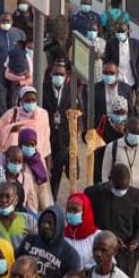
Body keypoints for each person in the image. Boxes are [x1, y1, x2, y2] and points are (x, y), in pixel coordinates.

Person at [84, 165, 139, 278]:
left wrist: (136, 240)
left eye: (124, 189)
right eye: (117, 188)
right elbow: (89, 220)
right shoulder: (96, 194)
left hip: (125, 251)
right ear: (110, 180)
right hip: (103, 249)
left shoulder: (134, 194)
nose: (120, 192)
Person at [15, 206, 81, 278]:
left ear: (59, 225)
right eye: (43, 222)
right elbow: (15, 262)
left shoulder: (70, 254)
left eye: (50, 223)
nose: (45, 226)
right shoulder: (30, 240)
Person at [43, 62, 75, 199]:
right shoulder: (44, 89)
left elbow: (78, 111)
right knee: (49, 171)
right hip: (48, 136)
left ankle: (53, 197)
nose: (58, 77)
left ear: (66, 76)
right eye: (56, 74)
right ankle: (50, 198)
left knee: (58, 171)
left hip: (64, 137)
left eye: (61, 74)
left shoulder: (70, 91)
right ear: (51, 75)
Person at [0, 86, 51, 160]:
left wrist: (48, 166)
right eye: (27, 101)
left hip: (37, 157)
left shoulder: (42, 114)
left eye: (33, 100)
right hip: (15, 158)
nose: (31, 103)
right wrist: (10, 129)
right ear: (21, 101)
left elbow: (46, 141)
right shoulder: (12, 114)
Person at [0, 14, 26, 113]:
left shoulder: (20, 34)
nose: (5, 23)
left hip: (15, 71)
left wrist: (26, 70)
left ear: (12, 21)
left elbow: (25, 54)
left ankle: (12, 120)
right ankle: (3, 119)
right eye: (3, 21)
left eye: (8, 21)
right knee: (0, 98)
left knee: (13, 98)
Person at [98, 116, 139, 192]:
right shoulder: (112, 147)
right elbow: (105, 172)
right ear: (126, 130)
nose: (135, 136)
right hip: (118, 192)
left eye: (138, 133)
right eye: (133, 132)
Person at [3, 139, 53, 214]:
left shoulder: (26, 178)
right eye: (13, 161)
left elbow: (31, 202)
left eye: (19, 161)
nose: (16, 164)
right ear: (6, 161)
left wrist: (33, 219)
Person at [61, 193, 100, 270]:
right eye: (69, 210)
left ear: (85, 211)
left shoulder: (97, 237)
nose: (71, 213)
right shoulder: (62, 235)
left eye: (75, 210)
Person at [102, 23, 139, 99]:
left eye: (122, 31)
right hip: (117, 80)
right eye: (118, 32)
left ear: (128, 31)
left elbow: (137, 64)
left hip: (130, 81)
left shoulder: (135, 44)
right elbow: (106, 62)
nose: (120, 34)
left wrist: (138, 87)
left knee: (129, 105)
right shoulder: (111, 44)